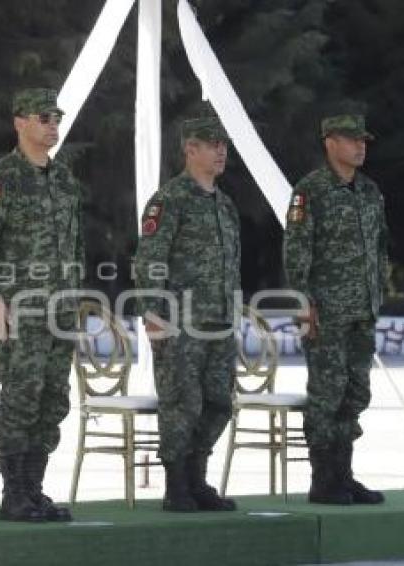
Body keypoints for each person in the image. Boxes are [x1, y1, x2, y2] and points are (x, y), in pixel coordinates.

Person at [0, 88, 85, 522]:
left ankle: (34, 491)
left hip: (60, 310)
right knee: (21, 397)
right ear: (20, 122)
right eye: (43, 117)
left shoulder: (66, 179)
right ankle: (13, 494)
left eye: (56, 118)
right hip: (19, 311)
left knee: (53, 400)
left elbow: (76, 246)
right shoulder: (0, 179)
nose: (52, 124)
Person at [134, 116, 240, 512]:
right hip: (180, 323)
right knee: (182, 404)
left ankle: (198, 480)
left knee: (218, 403)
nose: (221, 152)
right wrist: (153, 311)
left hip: (219, 322)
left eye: (224, 145)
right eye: (212, 145)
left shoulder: (225, 205)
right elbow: (149, 259)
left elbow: (232, 264)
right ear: (190, 149)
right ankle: (176, 486)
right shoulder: (169, 200)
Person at [284, 114, 388, 505]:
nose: (360, 146)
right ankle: (323, 479)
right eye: (351, 139)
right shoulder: (311, 191)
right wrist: (304, 302)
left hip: (362, 310)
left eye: (363, 140)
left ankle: (344, 474)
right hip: (325, 312)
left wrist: (375, 294)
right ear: (330, 142)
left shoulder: (369, 191)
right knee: (326, 394)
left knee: (354, 393)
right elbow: (296, 251)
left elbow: (378, 248)